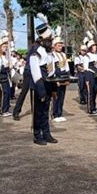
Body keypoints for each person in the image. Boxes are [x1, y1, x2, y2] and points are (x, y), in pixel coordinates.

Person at [30, 14, 58, 145]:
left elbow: (51, 71)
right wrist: (41, 91)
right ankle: (37, 135)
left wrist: (53, 89)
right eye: (50, 38)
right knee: (38, 112)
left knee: (46, 111)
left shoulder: (48, 51)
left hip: (48, 86)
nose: (52, 40)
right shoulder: (36, 50)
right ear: (43, 38)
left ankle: (46, 133)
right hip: (39, 86)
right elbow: (36, 73)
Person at [51, 26, 70, 122]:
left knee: (62, 96)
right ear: (54, 46)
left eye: (61, 45)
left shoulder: (63, 55)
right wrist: (55, 79)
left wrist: (67, 78)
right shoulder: (52, 55)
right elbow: (53, 68)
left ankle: (60, 112)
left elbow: (66, 66)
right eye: (58, 45)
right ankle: (55, 114)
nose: (60, 46)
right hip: (56, 77)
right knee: (56, 96)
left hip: (63, 77)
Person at [0, 35, 12, 117]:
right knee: (5, 93)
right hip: (1, 78)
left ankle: (7, 109)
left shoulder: (5, 56)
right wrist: (8, 67)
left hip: (6, 77)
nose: (5, 47)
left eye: (6, 46)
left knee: (8, 93)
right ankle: (3, 110)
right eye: (3, 46)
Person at [83, 32, 97, 116]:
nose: (95, 47)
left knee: (95, 92)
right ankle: (90, 108)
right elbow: (85, 68)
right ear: (90, 47)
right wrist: (86, 79)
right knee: (90, 92)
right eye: (93, 46)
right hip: (90, 75)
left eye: (95, 46)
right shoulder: (87, 56)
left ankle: (94, 107)